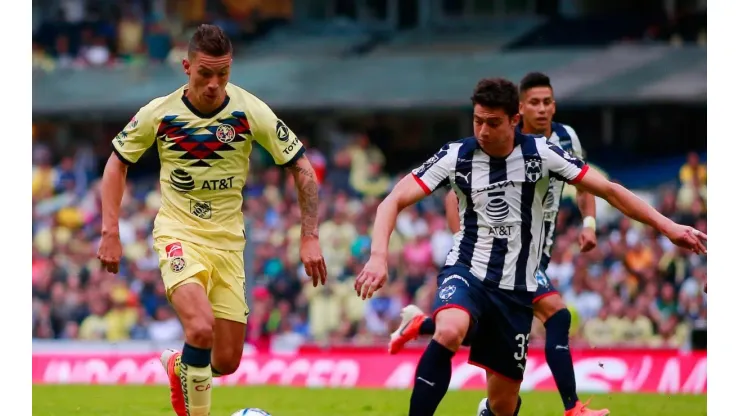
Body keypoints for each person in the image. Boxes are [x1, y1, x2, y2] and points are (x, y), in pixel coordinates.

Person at [354, 77, 706, 416]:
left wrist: (668, 226)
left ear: (514, 120)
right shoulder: (456, 156)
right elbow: (393, 200)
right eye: (477, 121)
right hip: (468, 270)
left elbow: (610, 190)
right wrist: (378, 256)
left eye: (493, 123)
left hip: (517, 290)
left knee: (503, 406)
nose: (483, 131)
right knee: (449, 330)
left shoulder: (543, 154)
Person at [96, 24, 327, 416]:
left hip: (228, 245)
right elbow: (116, 163)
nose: (214, 84)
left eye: (223, 74)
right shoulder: (160, 113)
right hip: (178, 233)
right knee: (200, 328)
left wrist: (309, 235)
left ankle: (177, 365)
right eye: (205, 73)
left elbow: (301, 167)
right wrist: (110, 231)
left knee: (226, 360)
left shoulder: (249, 110)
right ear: (187, 67)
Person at [393, 72, 609, 416]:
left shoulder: (565, 141)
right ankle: (573, 408)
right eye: (534, 102)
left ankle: (423, 326)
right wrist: (471, 249)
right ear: (521, 110)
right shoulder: (485, 150)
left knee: (501, 390)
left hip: (531, 260)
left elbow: (591, 188)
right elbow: (452, 199)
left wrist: (589, 223)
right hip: (492, 260)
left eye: (547, 102)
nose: (543, 109)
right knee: (556, 314)